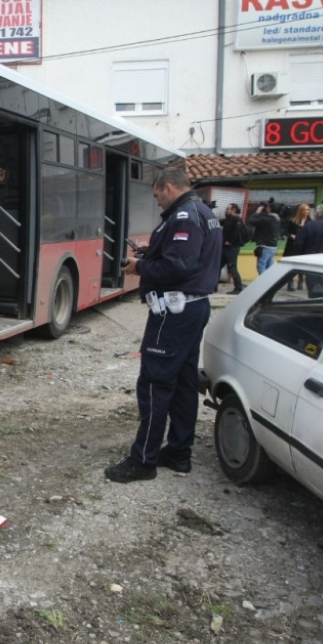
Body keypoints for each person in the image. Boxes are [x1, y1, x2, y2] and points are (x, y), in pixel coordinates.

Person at [105, 168, 222, 483]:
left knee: (155, 384)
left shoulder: (183, 215)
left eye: (157, 196)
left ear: (168, 187)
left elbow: (179, 265)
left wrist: (140, 266)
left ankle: (143, 461)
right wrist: (152, 254)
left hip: (173, 313)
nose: (157, 202)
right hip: (192, 309)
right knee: (184, 381)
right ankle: (179, 452)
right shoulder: (202, 212)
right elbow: (185, 258)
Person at [247, 201, 281, 274]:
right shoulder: (277, 219)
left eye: (267, 207)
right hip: (273, 247)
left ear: (269, 209)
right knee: (270, 267)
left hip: (265, 247)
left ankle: (264, 283)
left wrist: (258, 211)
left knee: (261, 266)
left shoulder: (267, 219)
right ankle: (271, 283)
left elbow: (252, 220)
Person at [282, 203, 310, 291]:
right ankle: (290, 284)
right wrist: (291, 235)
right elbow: (285, 231)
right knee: (291, 265)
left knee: (301, 265)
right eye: (304, 210)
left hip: (303, 246)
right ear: (300, 211)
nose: (306, 212)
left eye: (308, 209)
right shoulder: (293, 221)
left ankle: (300, 282)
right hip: (292, 246)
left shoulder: (310, 222)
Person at [219, 203, 245, 294]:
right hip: (225, 247)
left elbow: (237, 232)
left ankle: (238, 287)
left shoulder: (237, 219)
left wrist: (230, 241)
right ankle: (213, 286)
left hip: (232, 248)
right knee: (218, 266)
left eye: (228, 209)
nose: (226, 210)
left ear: (233, 210)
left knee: (232, 267)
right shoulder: (228, 220)